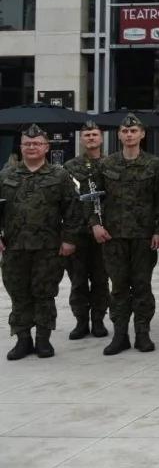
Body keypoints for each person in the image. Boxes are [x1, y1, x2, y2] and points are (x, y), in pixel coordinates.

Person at [89, 113, 159, 355]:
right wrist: (95, 224)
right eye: (125, 131)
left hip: (144, 237)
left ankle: (142, 333)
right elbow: (92, 200)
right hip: (113, 237)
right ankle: (120, 335)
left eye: (134, 131)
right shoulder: (106, 165)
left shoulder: (154, 165)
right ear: (119, 135)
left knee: (142, 286)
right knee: (119, 286)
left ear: (142, 134)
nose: (129, 135)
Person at [2, 124, 81, 360]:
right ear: (21, 146)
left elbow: (73, 210)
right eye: (27, 143)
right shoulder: (6, 175)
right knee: (19, 294)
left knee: (44, 293)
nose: (31, 147)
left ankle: (43, 340)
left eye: (37, 143)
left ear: (46, 147)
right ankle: (22, 339)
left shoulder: (59, 175)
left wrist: (69, 240)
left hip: (48, 247)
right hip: (15, 246)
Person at [63, 120, 111, 339]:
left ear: (101, 138)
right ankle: (81, 321)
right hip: (79, 234)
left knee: (101, 279)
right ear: (81, 140)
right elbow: (68, 202)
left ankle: (98, 320)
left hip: (105, 234)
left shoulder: (112, 164)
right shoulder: (70, 167)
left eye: (94, 134)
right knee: (78, 280)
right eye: (87, 135)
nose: (91, 138)